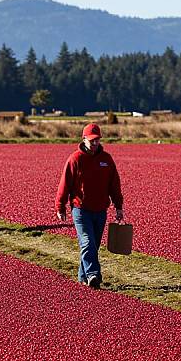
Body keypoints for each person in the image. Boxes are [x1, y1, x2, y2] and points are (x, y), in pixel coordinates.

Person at [55, 123, 124, 288]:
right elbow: (64, 184)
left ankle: (82, 277)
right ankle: (93, 275)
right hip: (81, 209)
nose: (95, 144)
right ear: (84, 139)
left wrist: (118, 206)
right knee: (87, 242)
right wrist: (60, 206)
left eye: (97, 140)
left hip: (100, 210)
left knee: (93, 245)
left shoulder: (106, 160)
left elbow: (114, 184)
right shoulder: (75, 159)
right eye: (92, 140)